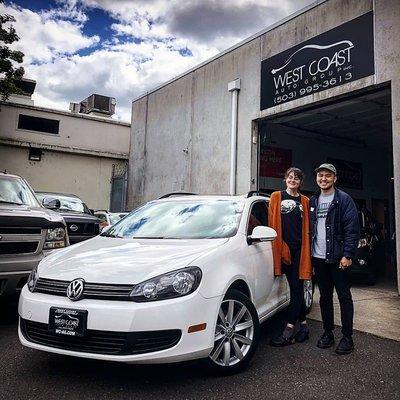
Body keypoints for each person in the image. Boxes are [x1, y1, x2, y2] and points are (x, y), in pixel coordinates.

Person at [311, 163, 360, 355]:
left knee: (344, 297)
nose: (324, 179)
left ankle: (347, 337)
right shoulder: (313, 200)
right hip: (318, 258)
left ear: (335, 178)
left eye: (328, 176)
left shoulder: (344, 199)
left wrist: (348, 254)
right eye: (320, 176)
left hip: (339, 258)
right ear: (317, 179)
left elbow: (352, 229)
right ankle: (328, 333)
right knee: (324, 297)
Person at [269, 167, 312, 346]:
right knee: (296, 289)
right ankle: (303, 326)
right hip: (283, 250)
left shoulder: (305, 201)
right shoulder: (276, 197)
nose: (293, 180)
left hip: (300, 251)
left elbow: (309, 227)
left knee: (296, 289)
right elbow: (272, 223)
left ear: (300, 182)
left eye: (297, 178)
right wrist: (280, 246)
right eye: (290, 177)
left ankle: (288, 331)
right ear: (285, 179)